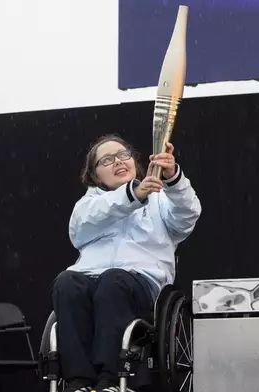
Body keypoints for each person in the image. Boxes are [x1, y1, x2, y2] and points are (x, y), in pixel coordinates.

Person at [51, 134, 201, 392]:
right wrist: (132, 195)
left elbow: (187, 216)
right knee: (66, 282)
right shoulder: (89, 205)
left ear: (134, 161)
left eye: (123, 155)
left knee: (113, 282)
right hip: (89, 279)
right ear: (96, 176)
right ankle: (78, 383)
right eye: (107, 160)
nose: (118, 161)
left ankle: (110, 380)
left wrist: (173, 178)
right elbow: (83, 226)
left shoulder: (160, 199)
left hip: (139, 283)